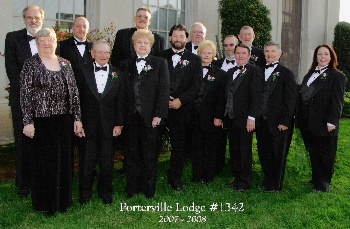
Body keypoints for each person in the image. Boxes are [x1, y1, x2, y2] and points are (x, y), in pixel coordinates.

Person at [20, 28, 83, 216]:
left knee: (63, 162)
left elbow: (74, 93)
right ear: (37, 43)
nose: (47, 43)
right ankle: (46, 204)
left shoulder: (65, 63)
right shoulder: (30, 64)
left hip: (63, 120)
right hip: (41, 121)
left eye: (51, 40)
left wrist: (77, 118)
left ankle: (62, 202)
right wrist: (27, 121)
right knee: (44, 164)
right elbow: (24, 94)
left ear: (56, 42)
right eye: (43, 40)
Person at [110, 7, 165, 174]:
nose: (142, 19)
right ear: (135, 19)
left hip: (148, 99)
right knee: (131, 142)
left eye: (145, 17)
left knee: (148, 142)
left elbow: (159, 68)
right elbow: (116, 60)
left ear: (150, 21)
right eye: (139, 16)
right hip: (129, 88)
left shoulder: (159, 39)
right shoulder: (122, 34)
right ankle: (130, 169)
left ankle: (146, 174)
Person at [123, 29, 170, 199]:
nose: (142, 45)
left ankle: (149, 189)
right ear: (134, 45)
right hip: (131, 117)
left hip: (150, 117)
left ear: (150, 45)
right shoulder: (126, 64)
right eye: (139, 42)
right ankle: (132, 188)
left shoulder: (159, 63)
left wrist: (159, 114)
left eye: (145, 43)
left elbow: (164, 91)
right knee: (132, 154)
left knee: (149, 154)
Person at [5, 5, 44, 197]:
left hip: (45, 104)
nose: (33, 21)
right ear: (24, 19)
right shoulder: (12, 38)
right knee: (22, 143)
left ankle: (39, 181)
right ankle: (23, 184)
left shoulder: (49, 40)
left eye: (36, 17)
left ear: (42, 19)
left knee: (41, 143)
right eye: (29, 17)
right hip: (21, 100)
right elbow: (13, 72)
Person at [79, 40, 124, 205]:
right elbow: (78, 99)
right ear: (92, 53)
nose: (103, 55)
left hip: (109, 126)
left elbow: (120, 101)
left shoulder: (117, 74)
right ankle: (85, 193)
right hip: (87, 125)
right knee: (87, 161)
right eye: (100, 52)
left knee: (107, 162)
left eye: (106, 52)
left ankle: (105, 192)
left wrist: (119, 124)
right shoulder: (82, 72)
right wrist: (78, 121)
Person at [297, 44, 347, 192]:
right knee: (313, 152)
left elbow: (337, 101)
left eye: (326, 54)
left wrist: (332, 121)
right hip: (308, 122)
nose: (322, 57)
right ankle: (315, 178)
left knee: (325, 153)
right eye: (319, 54)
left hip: (325, 122)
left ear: (331, 57)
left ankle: (323, 183)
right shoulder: (309, 74)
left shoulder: (337, 76)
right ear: (316, 57)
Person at [158, 24, 202, 190]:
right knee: (154, 144)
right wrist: (164, 98)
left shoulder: (195, 60)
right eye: (175, 36)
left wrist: (180, 101)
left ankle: (175, 177)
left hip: (182, 109)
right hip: (160, 109)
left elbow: (196, 85)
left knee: (179, 147)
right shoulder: (160, 56)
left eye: (181, 36)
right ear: (170, 37)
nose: (178, 39)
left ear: (186, 38)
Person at [255, 41, 298, 192]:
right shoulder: (259, 71)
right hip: (262, 121)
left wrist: (285, 121)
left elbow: (291, 100)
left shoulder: (287, 73)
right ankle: (267, 179)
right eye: (267, 51)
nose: (269, 54)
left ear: (280, 53)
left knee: (278, 154)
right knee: (263, 151)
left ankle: (276, 184)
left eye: (273, 51)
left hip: (279, 122)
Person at [224, 44, 263, 192]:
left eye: (243, 53)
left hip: (246, 118)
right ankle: (236, 178)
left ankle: (245, 181)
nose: (240, 56)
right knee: (234, 149)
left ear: (249, 55)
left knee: (244, 150)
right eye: (237, 53)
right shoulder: (231, 72)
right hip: (231, 117)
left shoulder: (255, 71)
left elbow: (256, 96)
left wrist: (252, 118)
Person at [191, 40, 226, 184]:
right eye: (203, 53)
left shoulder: (220, 74)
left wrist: (218, 116)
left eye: (209, 53)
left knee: (210, 147)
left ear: (213, 55)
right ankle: (197, 174)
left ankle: (208, 175)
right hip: (193, 116)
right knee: (196, 146)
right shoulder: (193, 70)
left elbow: (221, 97)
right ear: (199, 54)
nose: (206, 55)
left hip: (211, 117)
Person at [212, 34, 239, 175]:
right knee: (218, 141)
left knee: (236, 143)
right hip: (219, 109)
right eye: (226, 45)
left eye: (231, 45)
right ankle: (218, 168)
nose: (228, 48)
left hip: (236, 111)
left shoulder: (244, 66)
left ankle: (235, 170)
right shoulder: (216, 64)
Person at [58, 17, 93, 92]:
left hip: (89, 93)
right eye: (78, 26)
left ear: (88, 29)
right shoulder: (62, 46)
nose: (81, 29)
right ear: (72, 28)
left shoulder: (94, 47)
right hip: (69, 91)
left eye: (84, 26)